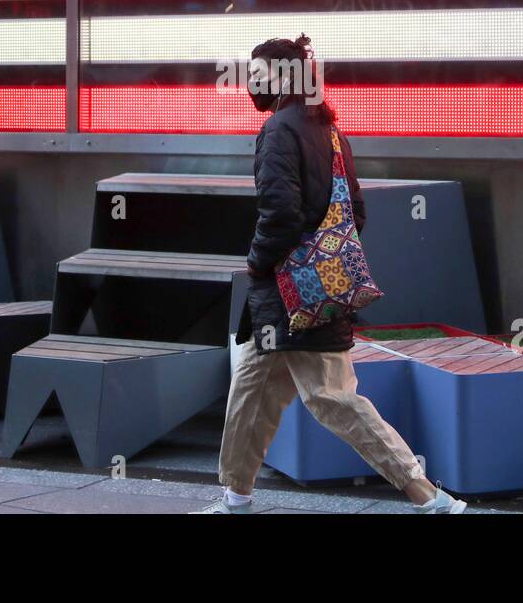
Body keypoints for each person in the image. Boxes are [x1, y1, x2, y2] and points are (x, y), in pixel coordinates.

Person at [192, 34, 466, 514]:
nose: (249, 84)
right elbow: (354, 212)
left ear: (282, 76)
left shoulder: (279, 130)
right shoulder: (330, 131)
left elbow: (280, 215)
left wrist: (257, 261)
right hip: (310, 291)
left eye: (257, 75)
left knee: (332, 398)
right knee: (252, 391)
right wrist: (322, 260)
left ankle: (427, 496)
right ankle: (235, 498)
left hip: (289, 293)